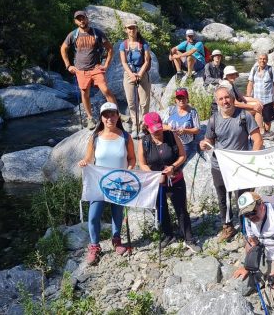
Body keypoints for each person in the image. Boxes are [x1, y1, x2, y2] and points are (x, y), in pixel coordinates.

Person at [200, 86, 264, 241]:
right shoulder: (213, 119)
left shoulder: (244, 116)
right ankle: (227, 226)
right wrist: (204, 143)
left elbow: (257, 140)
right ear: (217, 102)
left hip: (240, 165)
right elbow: (209, 140)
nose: (225, 101)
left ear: (232, 98)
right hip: (219, 165)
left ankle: (246, 228)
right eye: (221, 99)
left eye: (227, 97)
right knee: (223, 197)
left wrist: (252, 160)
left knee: (243, 197)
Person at [77, 102, 135, 265]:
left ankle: (116, 240)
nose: (110, 118)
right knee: (94, 216)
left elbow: (132, 158)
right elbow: (89, 158)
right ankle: (95, 246)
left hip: (119, 183)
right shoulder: (95, 137)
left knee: (117, 214)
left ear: (118, 116)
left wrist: (129, 170)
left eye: (113, 114)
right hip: (99, 183)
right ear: (101, 118)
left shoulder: (125, 137)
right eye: (106, 115)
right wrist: (84, 162)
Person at [137, 112, 200, 251]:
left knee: (181, 209)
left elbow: (182, 155)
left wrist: (173, 166)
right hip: (156, 182)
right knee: (161, 209)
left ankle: (189, 238)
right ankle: (168, 234)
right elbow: (142, 163)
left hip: (175, 179)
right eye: (154, 130)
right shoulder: (144, 142)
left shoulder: (172, 136)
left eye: (159, 128)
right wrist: (153, 174)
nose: (158, 132)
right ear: (147, 128)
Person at [60, 10, 119, 129]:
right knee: (84, 93)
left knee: (105, 90)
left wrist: (106, 65)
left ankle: (116, 114)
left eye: (83, 18)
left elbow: (110, 49)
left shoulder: (97, 33)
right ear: (76, 21)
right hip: (80, 70)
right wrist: (68, 65)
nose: (82, 20)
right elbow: (63, 48)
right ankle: (90, 118)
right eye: (79, 19)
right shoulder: (73, 35)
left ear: (87, 19)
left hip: (96, 67)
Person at [119, 19, 151, 138]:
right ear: (126, 30)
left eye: (133, 27)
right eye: (129, 28)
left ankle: (144, 125)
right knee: (131, 102)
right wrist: (131, 74)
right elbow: (123, 62)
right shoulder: (124, 45)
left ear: (137, 29)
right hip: (129, 74)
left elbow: (147, 60)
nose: (131, 30)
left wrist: (140, 73)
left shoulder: (144, 44)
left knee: (144, 102)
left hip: (142, 73)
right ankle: (135, 126)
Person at [246, 53, 274, 140]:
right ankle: (262, 133)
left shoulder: (271, 69)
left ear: (267, 60)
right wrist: (248, 97)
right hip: (256, 100)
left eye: (264, 59)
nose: (262, 60)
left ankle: (267, 134)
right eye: (260, 59)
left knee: (268, 120)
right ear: (258, 60)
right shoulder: (254, 69)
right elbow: (250, 84)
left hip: (268, 100)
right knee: (258, 116)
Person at [164, 87, 200, 163]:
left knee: (177, 163)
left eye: (183, 98)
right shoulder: (170, 110)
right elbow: (161, 125)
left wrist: (185, 131)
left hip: (185, 144)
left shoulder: (192, 112)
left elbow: (197, 130)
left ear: (187, 99)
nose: (181, 100)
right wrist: (169, 128)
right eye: (179, 98)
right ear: (175, 100)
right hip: (170, 142)